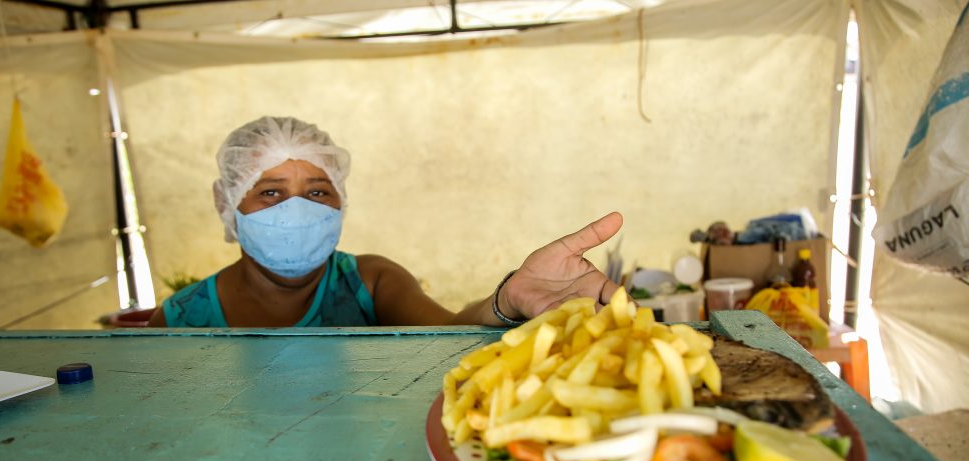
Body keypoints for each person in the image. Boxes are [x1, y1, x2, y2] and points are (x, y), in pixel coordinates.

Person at [148, 116, 624, 328]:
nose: (296, 210)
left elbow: (447, 334)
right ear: (228, 203)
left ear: (341, 201)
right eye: (270, 192)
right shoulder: (179, 319)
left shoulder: (370, 282)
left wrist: (507, 298)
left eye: (317, 192)